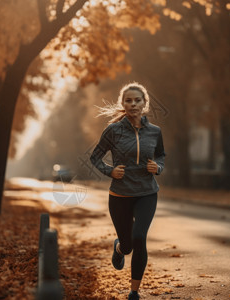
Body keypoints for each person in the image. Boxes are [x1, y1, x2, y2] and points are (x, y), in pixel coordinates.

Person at [90, 82, 166, 300]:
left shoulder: (155, 132)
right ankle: (120, 248)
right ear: (122, 104)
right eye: (128, 100)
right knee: (128, 245)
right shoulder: (113, 131)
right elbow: (95, 157)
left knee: (139, 237)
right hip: (120, 196)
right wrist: (110, 171)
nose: (133, 104)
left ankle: (134, 291)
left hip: (147, 192)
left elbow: (161, 155)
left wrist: (158, 167)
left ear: (145, 103)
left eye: (137, 100)